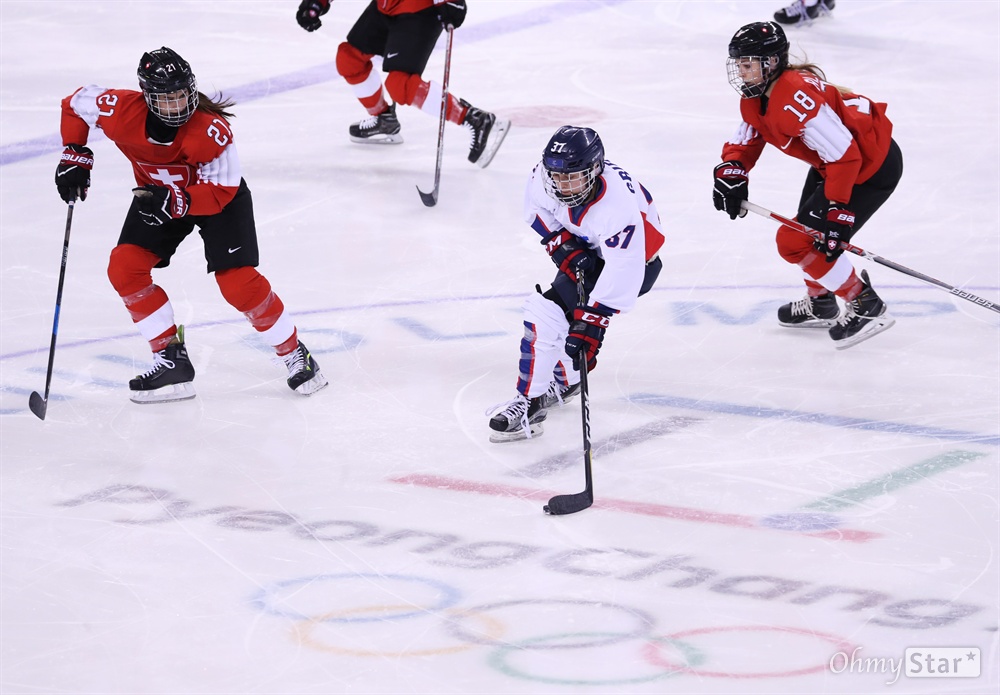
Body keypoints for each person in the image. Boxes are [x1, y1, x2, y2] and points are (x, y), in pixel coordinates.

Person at [55, 47, 328, 404]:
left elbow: (222, 191)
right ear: (147, 96)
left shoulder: (210, 131)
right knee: (125, 268)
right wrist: (74, 152)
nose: (179, 104)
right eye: (167, 98)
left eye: (183, 94)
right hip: (157, 196)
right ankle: (171, 360)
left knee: (238, 284)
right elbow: (74, 103)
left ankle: (295, 353)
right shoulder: (119, 110)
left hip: (216, 199)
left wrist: (178, 202)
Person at [712, 21, 902, 349]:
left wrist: (837, 210)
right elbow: (751, 133)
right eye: (738, 65)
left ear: (770, 63)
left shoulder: (794, 99)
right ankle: (821, 303)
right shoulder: (759, 95)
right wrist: (733, 168)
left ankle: (866, 305)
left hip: (869, 168)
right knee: (805, 236)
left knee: (794, 242)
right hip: (834, 164)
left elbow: (846, 156)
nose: (740, 72)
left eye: (747, 64)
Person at [487, 126, 665, 442]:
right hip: (593, 249)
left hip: (635, 263)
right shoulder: (546, 178)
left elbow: (625, 267)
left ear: (595, 170)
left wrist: (594, 324)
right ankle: (567, 381)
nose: (562, 185)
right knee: (552, 316)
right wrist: (561, 244)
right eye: (556, 177)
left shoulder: (617, 208)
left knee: (546, 313)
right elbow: (537, 209)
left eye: (572, 177)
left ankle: (530, 404)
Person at [295, 0, 510, 168]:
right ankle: (384, 119)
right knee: (348, 59)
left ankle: (474, 119)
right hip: (386, 7)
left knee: (400, 85)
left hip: (420, 10)